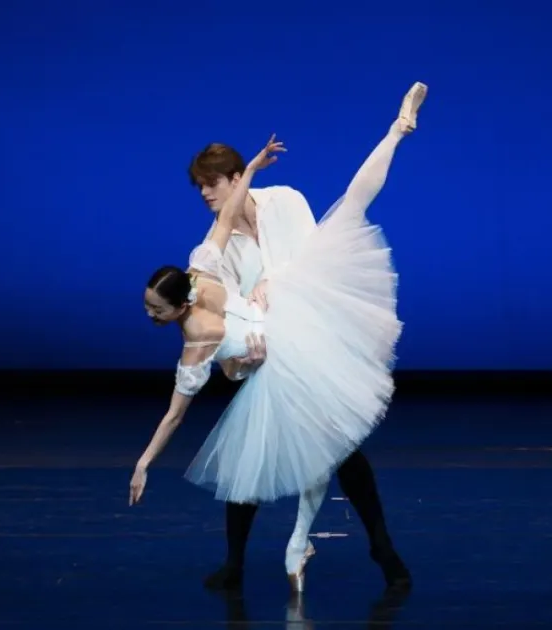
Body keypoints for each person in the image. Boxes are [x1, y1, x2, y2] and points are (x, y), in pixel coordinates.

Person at [131, 82, 426, 593]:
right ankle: (237, 562)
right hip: (268, 352)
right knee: (251, 453)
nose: (204, 195)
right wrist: (235, 361)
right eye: (199, 187)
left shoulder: (285, 201)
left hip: (311, 334)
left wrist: (277, 280)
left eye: (211, 184)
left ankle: (380, 544)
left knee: (342, 446)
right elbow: (219, 315)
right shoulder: (215, 249)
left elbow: (316, 262)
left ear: (233, 179)